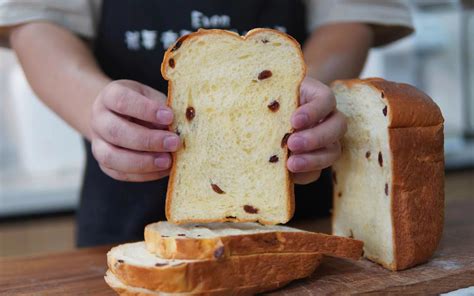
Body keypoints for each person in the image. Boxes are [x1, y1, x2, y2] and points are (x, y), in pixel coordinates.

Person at [0, 0, 413, 247]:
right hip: (124, 212)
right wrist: (98, 110)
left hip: (299, 204)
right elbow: (38, 21)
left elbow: (348, 15)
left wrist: (302, 100)